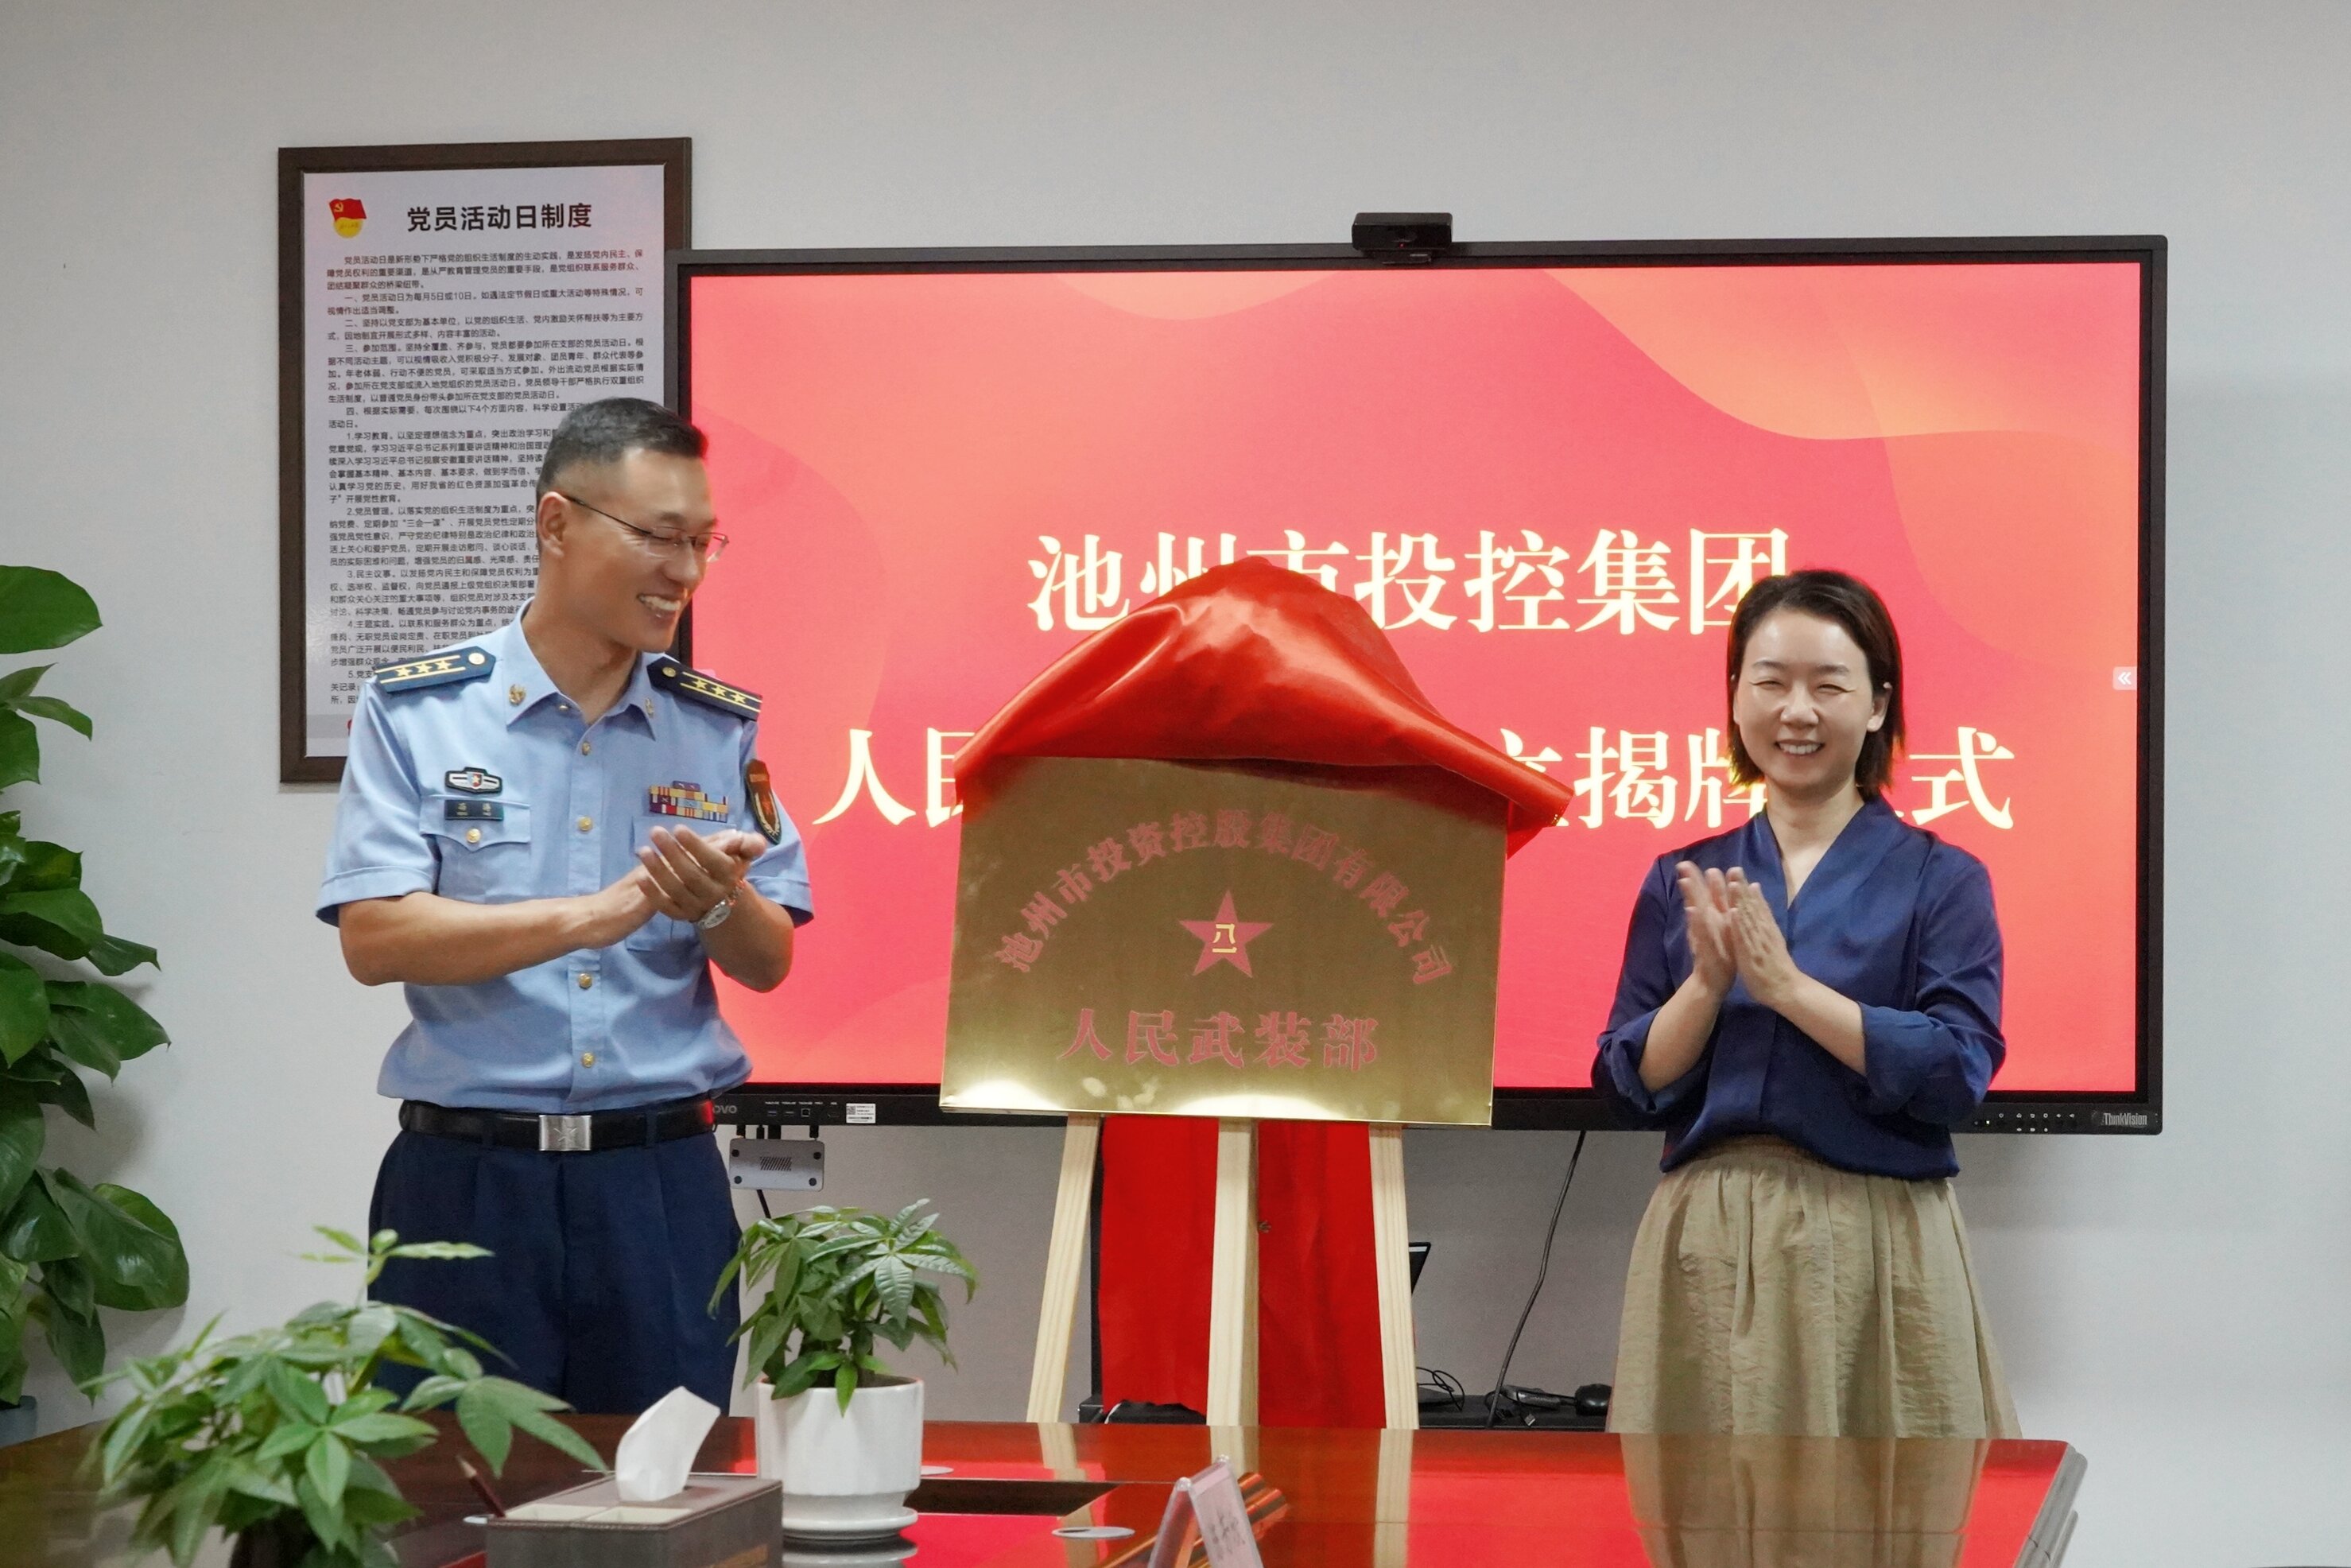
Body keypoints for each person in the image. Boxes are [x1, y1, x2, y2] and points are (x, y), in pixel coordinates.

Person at [316, 398, 811, 1414]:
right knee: (451, 1487)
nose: (684, 570)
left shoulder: (712, 728)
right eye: (657, 536)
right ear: (556, 524)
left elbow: (768, 960)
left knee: (667, 1483)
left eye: (702, 541)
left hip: (657, 1184)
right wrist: (595, 914)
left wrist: (718, 905)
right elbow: (375, 937)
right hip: (466, 1184)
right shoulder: (418, 711)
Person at [1593, 569, 2017, 1439]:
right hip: (1709, 1229)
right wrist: (1706, 987)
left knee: (1886, 1496)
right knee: (1702, 1499)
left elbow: (1955, 1070)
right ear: (1734, 697)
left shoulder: (1941, 878)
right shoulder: (1682, 876)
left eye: (1827, 686)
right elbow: (1630, 1079)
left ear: (1876, 706)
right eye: (1770, 682)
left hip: (1878, 1229)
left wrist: (1787, 990)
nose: (1796, 711)